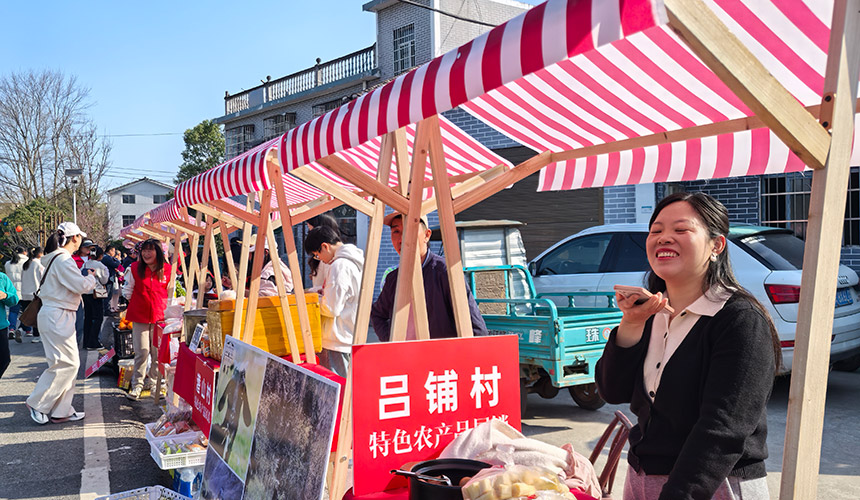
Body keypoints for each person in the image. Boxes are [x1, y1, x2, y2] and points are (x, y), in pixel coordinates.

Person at [594, 192, 780, 500]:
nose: (664, 238)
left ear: (716, 245)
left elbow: (723, 430)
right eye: (656, 231)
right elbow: (612, 391)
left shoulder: (740, 320)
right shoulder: (650, 312)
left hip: (712, 485)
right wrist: (631, 324)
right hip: (642, 478)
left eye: (681, 229)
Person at [371, 213, 488, 341]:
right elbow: (377, 315)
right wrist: (391, 341)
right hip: (405, 353)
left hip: (441, 353)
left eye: (410, 230)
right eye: (396, 231)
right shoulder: (393, 278)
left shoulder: (444, 272)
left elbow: (474, 324)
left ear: (427, 235)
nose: (402, 239)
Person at [27, 222, 97, 424]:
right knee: (68, 363)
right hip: (58, 314)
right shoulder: (63, 259)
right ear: (75, 238)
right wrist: (91, 278)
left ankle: (62, 410)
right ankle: (38, 402)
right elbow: (80, 285)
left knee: (64, 363)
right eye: (80, 237)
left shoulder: (55, 258)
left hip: (55, 313)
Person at [303, 226, 364, 377]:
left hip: (337, 338)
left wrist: (313, 300)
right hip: (347, 333)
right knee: (347, 383)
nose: (320, 259)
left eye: (317, 255)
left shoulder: (339, 265)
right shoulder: (352, 261)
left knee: (338, 384)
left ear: (325, 246)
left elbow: (331, 308)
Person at [122, 238, 172, 401]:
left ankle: (156, 384)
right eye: (144, 250)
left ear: (158, 252)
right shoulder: (134, 268)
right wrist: (137, 303)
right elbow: (127, 291)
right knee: (142, 351)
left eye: (150, 250)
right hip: (139, 316)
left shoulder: (168, 270)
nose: (146, 253)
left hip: (160, 317)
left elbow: (171, 292)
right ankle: (137, 385)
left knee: (157, 353)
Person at [82, 246, 109, 350]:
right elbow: (104, 280)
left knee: (88, 317)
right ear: (100, 255)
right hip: (96, 293)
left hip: (86, 292)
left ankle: (86, 342)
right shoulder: (100, 266)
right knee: (98, 317)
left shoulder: (85, 264)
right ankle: (93, 342)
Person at [305, 213, 340, 291]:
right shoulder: (328, 256)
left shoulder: (335, 262)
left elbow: (331, 290)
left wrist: (311, 291)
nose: (309, 234)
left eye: (310, 230)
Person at [20, 246, 45, 343]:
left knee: (27, 313)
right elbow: (42, 278)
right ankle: (37, 335)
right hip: (35, 294)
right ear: (40, 254)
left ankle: (21, 328)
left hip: (25, 292)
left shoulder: (26, 264)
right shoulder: (39, 264)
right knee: (37, 315)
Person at [5, 246, 27, 342]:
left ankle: (11, 329)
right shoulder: (27, 262)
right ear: (24, 252)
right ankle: (23, 329)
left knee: (13, 311)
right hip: (25, 291)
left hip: (13, 291)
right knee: (26, 312)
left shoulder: (8, 264)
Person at [0, 272, 20, 379]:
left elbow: (14, 299)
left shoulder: (1, 278)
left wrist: (5, 296)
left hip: (1, 327)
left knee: (4, 360)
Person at [101, 245, 120, 314]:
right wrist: (117, 260)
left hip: (107, 277)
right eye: (114, 251)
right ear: (110, 251)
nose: (114, 253)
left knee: (108, 294)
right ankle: (106, 310)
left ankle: (106, 308)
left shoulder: (105, 257)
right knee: (108, 294)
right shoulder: (107, 258)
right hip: (108, 278)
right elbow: (116, 264)